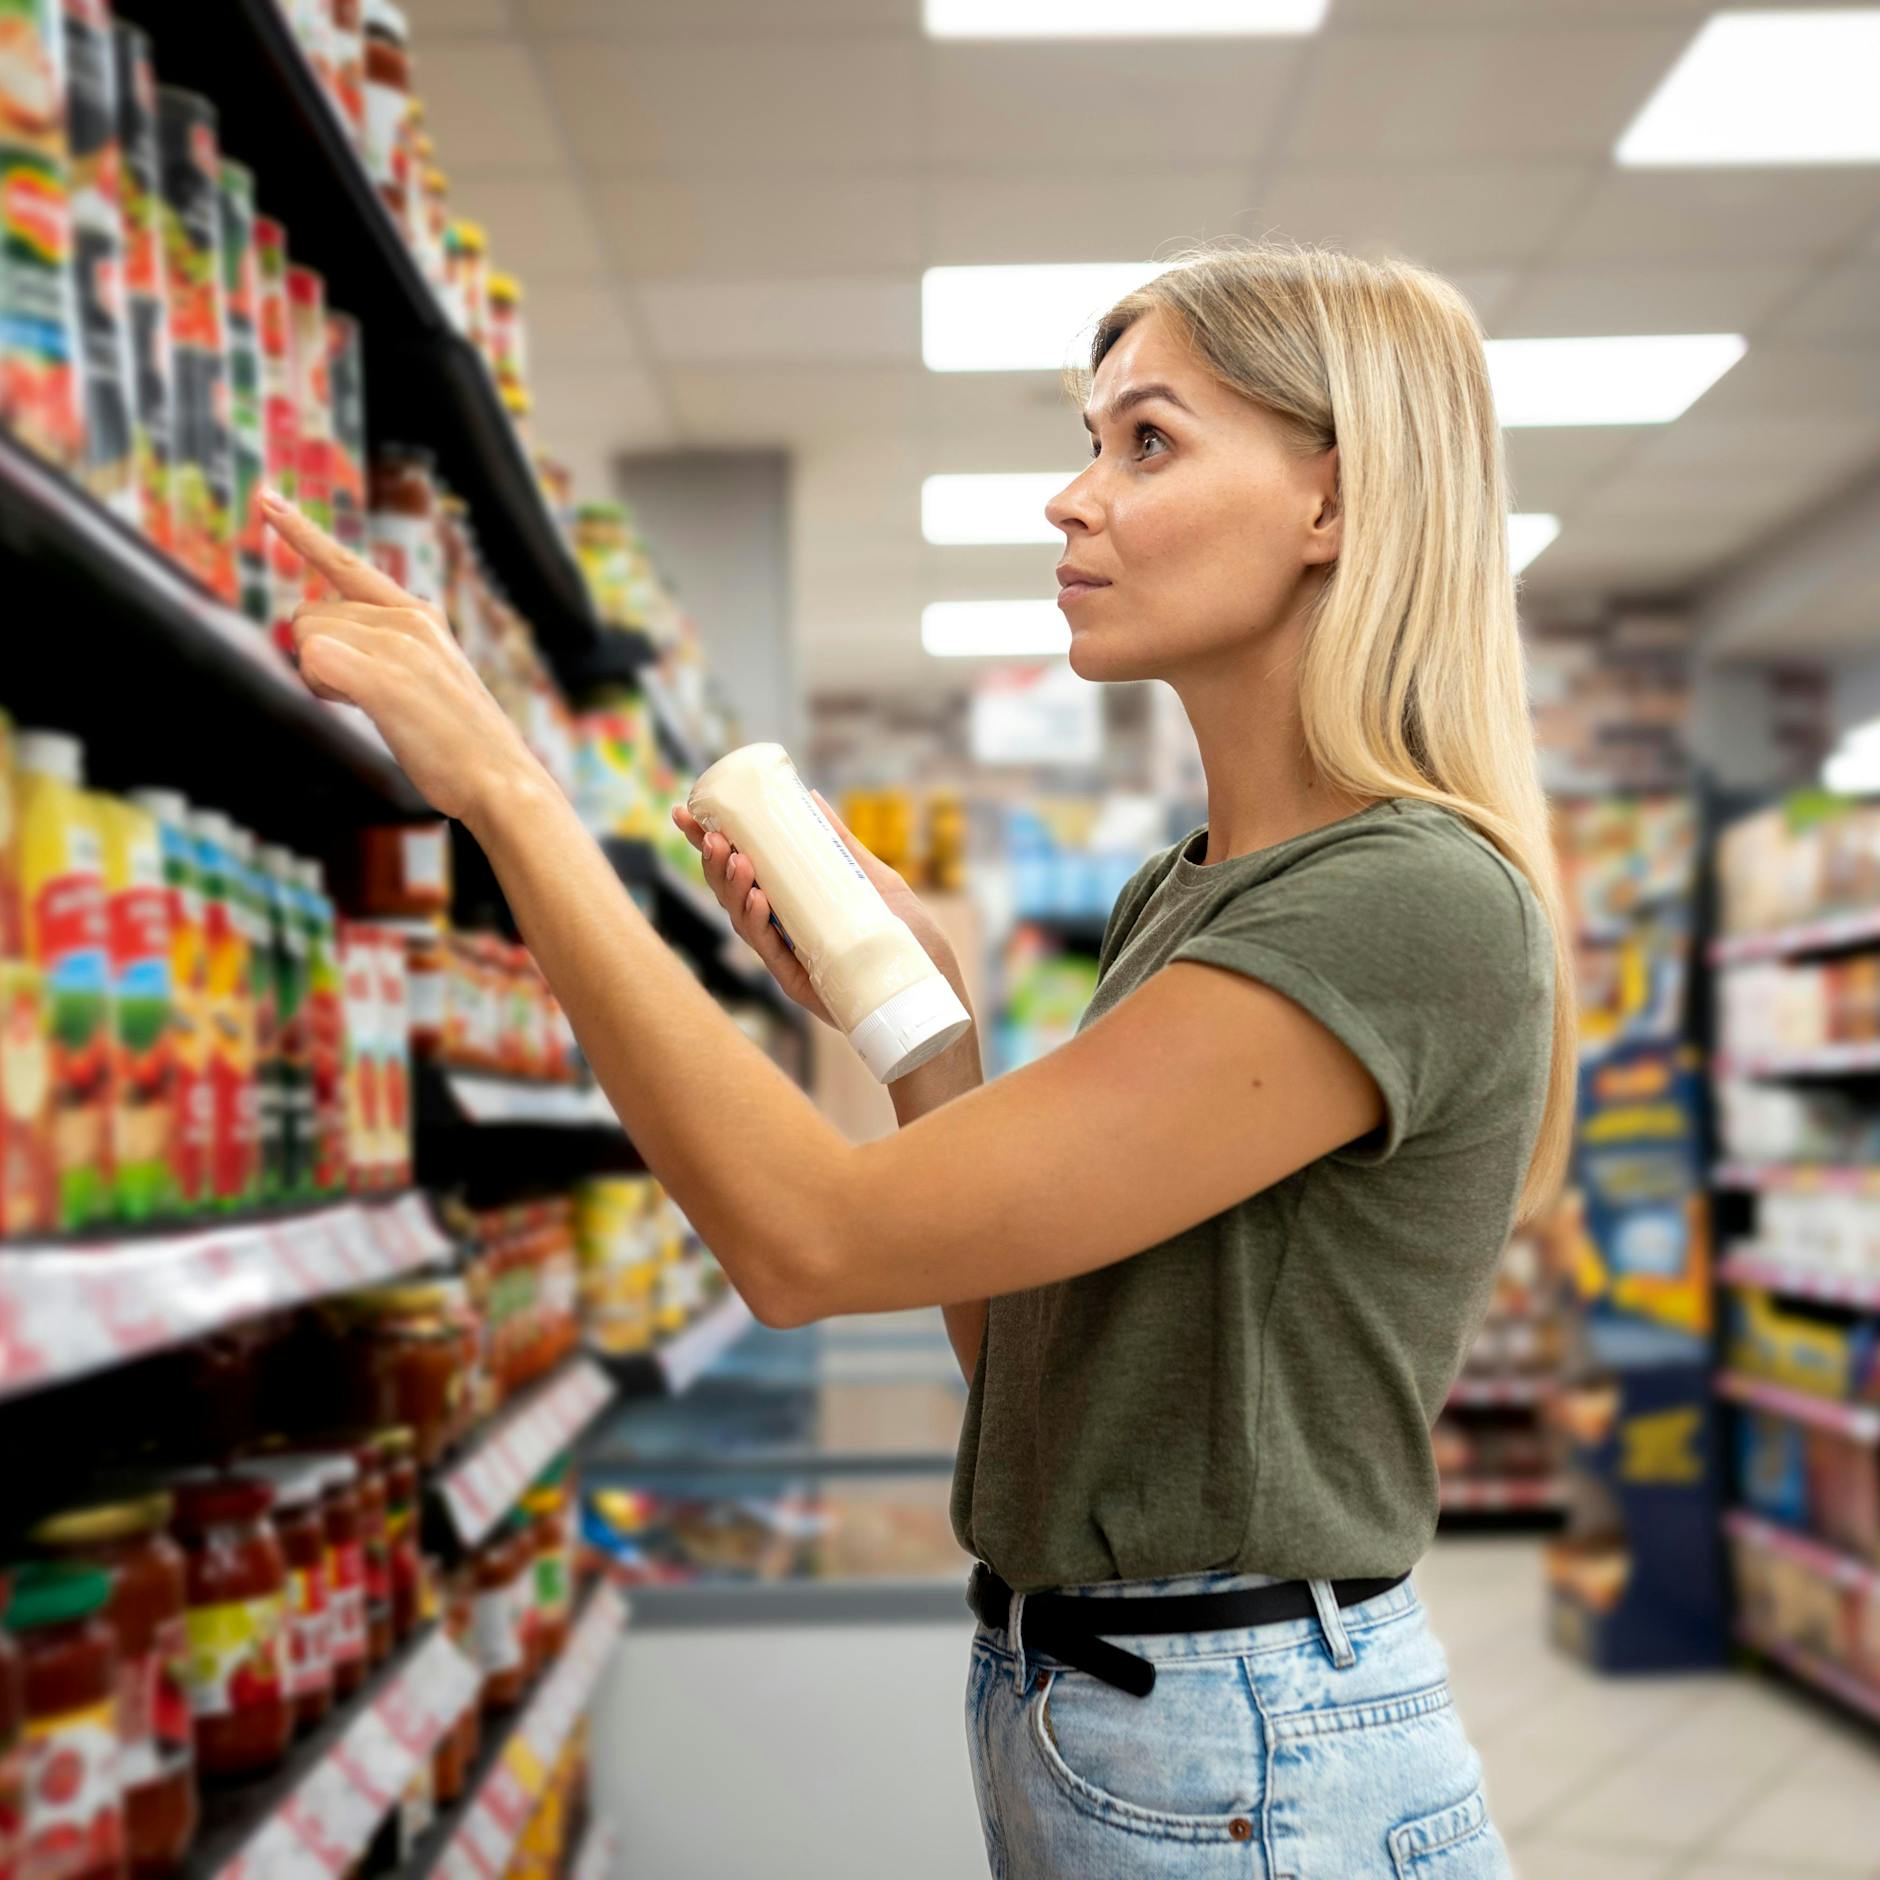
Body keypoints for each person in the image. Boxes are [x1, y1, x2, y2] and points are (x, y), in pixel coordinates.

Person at [266, 239, 1570, 1879]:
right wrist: (919, 1031)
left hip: (1241, 1748)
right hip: (1110, 1707)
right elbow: (1031, 1379)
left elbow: (805, 1243)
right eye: (1092, 441)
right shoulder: (1184, 894)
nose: (1071, 500)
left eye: (1146, 443)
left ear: (1334, 499)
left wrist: (512, 801)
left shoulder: (1407, 900)